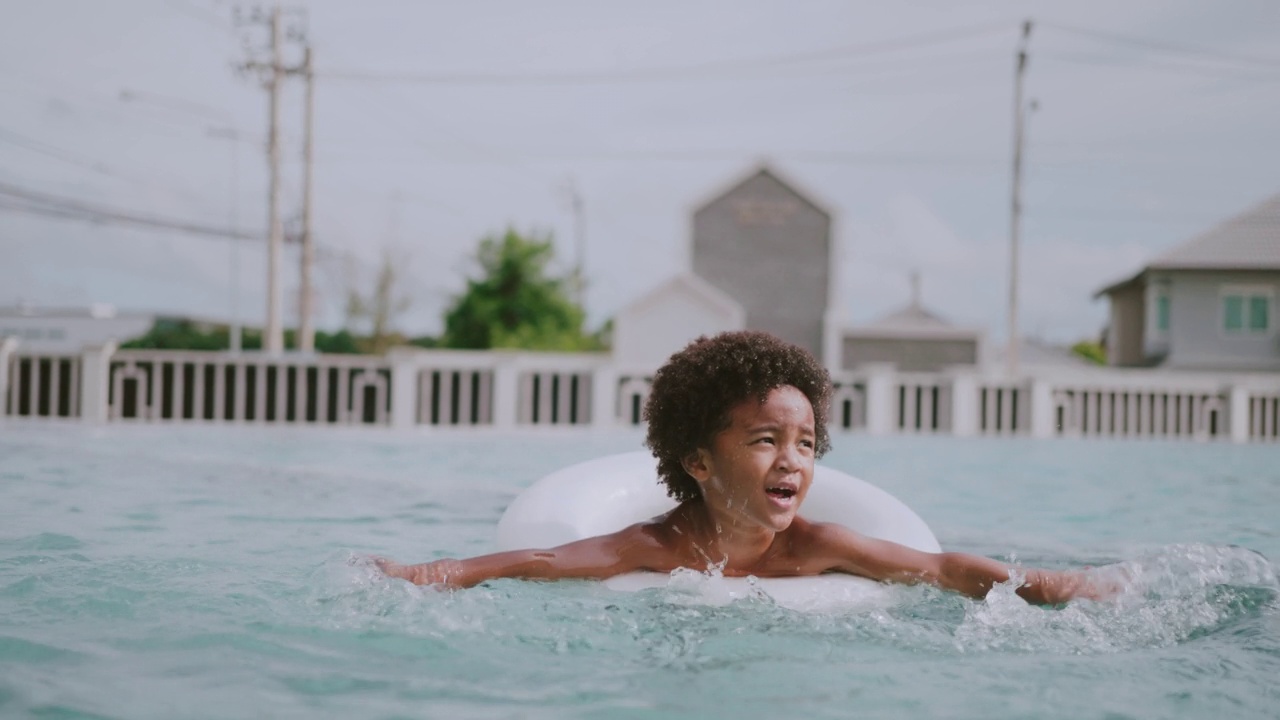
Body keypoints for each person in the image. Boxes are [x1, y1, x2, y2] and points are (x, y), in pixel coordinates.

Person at [377, 330, 1113, 604]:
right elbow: (543, 559)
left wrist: (1056, 587)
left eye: (804, 442)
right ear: (698, 459)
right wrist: (426, 575)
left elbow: (944, 567)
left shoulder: (815, 548)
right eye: (764, 440)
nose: (791, 459)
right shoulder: (660, 547)